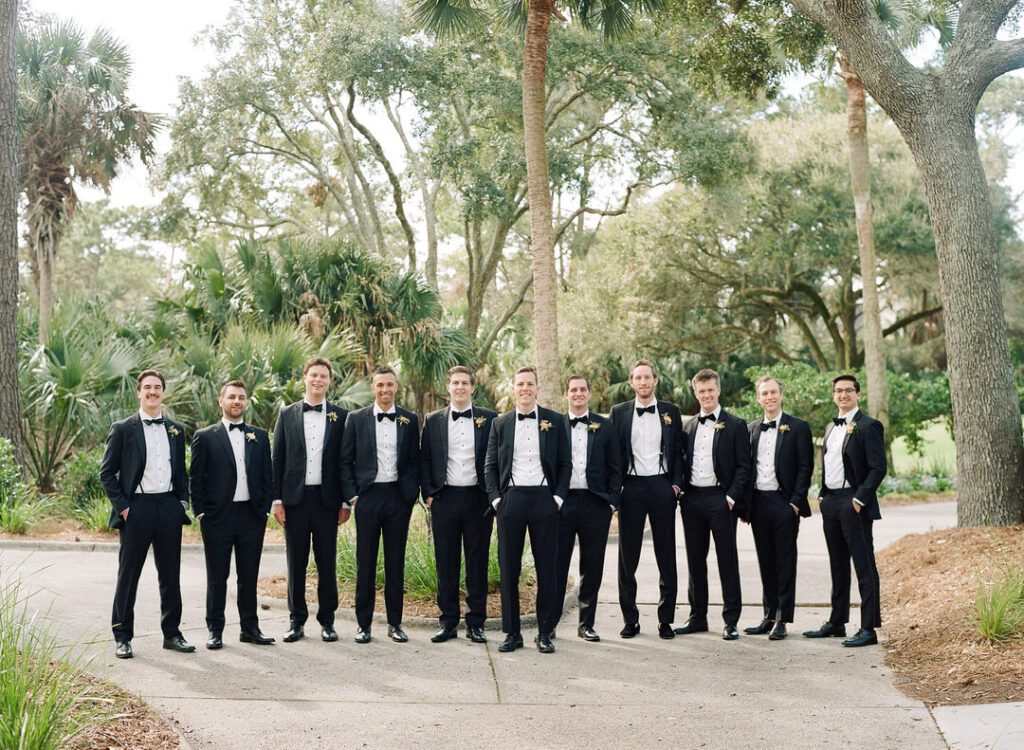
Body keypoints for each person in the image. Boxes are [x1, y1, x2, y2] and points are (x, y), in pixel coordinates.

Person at [100, 369, 193, 659]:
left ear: (163, 392)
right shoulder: (123, 428)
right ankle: (122, 636)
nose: (153, 392)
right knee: (128, 576)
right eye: (148, 387)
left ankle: (172, 634)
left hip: (167, 507)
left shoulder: (176, 430)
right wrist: (125, 508)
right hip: (136, 509)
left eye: (157, 387)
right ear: (139, 392)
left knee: (170, 575)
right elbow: (106, 474)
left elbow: (181, 472)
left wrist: (182, 503)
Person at [484, 366, 571, 653]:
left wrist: (557, 498)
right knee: (509, 568)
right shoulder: (500, 423)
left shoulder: (555, 421)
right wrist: (497, 500)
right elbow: (491, 465)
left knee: (547, 568)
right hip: (511, 500)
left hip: (544, 499)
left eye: (529, 384)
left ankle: (545, 632)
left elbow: (564, 464)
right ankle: (512, 633)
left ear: (537, 388)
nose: (525, 389)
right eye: (520, 384)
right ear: (514, 388)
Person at [189, 380, 275, 649]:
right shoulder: (205, 436)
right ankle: (215, 630)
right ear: (221, 401)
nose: (237, 401)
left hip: (251, 515)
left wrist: (263, 510)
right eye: (232, 397)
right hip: (218, 517)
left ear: (246, 402)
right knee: (218, 577)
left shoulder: (259, 436)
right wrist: (201, 512)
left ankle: (250, 629)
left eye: (241, 397)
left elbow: (266, 476)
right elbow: (196, 478)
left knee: (249, 576)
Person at [803, 374, 887, 648]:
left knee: (864, 566)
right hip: (831, 503)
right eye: (838, 391)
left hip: (854, 503)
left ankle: (868, 628)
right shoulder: (830, 427)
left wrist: (859, 499)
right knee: (837, 564)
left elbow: (878, 468)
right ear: (833, 395)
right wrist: (824, 496)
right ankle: (837, 622)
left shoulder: (869, 425)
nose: (842, 395)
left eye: (848, 390)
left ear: (858, 394)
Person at [340, 366, 421, 644]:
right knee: (366, 563)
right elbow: (344, 461)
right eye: (380, 385)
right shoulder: (356, 419)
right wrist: (353, 496)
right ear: (373, 388)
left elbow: (415, 460)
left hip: (398, 497)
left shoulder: (410, 420)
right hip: (368, 497)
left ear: (396, 387)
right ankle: (364, 625)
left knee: (395, 563)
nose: (385, 390)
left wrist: (411, 494)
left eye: (389, 385)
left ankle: (395, 623)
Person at [271, 357, 349, 643]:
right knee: (296, 563)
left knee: (327, 563)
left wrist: (344, 503)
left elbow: (344, 461)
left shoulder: (341, 416)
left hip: (327, 502)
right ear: (305, 378)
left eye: (323, 376)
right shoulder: (286, 414)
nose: (318, 380)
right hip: (295, 501)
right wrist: (276, 500)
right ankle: (296, 621)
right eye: (313, 375)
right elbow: (277, 459)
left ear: (330, 381)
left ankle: (327, 621)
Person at [419, 366, 497, 644]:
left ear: (472, 388)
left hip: (478, 500)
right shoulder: (433, 420)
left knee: (478, 562)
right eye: (456, 383)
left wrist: (493, 495)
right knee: (446, 562)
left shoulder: (489, 419)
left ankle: (476, 623)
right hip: (445, 499)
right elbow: (424, 459)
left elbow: (497, 457)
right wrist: (429, 494)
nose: (460, 387)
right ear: (448, 386)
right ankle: (448, 621)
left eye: (465, 383)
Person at [610, 359, 683, 640]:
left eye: (647, 378)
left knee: (666, 556)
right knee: (628, 557)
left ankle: (666, 620)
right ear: (631, 382)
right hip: (632, 489)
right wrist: (618, 491)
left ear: (655, 380)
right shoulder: (619, 413)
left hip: (662, 487)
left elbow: (678, 451)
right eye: (638, 378)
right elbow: (614, 455)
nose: (643, 382)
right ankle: (630, 619)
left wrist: (675, 485)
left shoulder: (671, 412)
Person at [676, 368, 751, 641]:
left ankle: (731, 620)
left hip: (722, 501)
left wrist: (731, 497)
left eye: (710, 390)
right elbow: (681, 462)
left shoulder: (735, 425)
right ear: (695, 393)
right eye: (701, 391)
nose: (706, 395)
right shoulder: (688, 426)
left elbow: (744, 466)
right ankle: (697, 617)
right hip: (693, 500)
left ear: (718, 390)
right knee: (695, 561)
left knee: (726, 561)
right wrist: (682, 493)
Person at [742, 376, 813, 641]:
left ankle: (783, 618)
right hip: (759, 503)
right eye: (764, 393)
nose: (769, 397)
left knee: (785, 561)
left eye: (773, 392)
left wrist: (795, 502)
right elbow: (746, 468)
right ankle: (768, 615)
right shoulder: (751, 429)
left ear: (781, 395)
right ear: (758, 398)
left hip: (785, 504)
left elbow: (806, 468)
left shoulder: (798, 427)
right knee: (765, 561)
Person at [554, 374, 622, 642]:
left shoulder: (605, 427)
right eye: (573, 390)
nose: (578, 393)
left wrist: (612, 501)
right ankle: (550, 623)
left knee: (592, 565)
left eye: (583, 389)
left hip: (596, 503)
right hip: (563, 502)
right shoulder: (555, 424)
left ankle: (586, 624)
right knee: (557, 564)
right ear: (566, 394)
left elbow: (615, 466)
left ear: (589, 393)